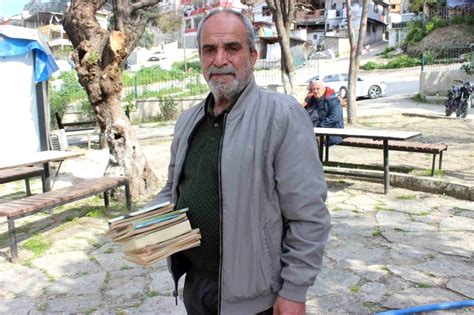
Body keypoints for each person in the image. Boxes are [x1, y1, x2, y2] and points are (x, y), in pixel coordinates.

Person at [152, 8, 330, 315]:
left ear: (253, 55)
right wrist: (145, 224)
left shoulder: (283, 116)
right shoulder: (188, 121)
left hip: (256, 299)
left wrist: (295, 291)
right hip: (197, 287)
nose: (219, 59)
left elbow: (309, 214)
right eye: (209, 49)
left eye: (232, 48)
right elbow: (173, 190)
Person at [304, 80, 344, 146]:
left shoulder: (333, 99)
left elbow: (335, 118)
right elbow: (305, 113)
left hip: (331, 133)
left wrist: (319, 127)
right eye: (313, 89)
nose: (315, 91)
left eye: (317, 89)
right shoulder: (312, 99)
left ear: (324, 89)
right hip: (314, 131)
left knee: (309, 141)